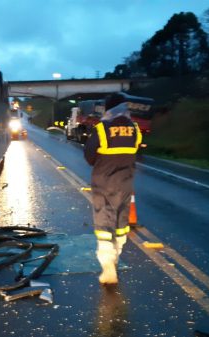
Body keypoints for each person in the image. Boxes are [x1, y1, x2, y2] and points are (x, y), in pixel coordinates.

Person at [83, 93, 142, 285]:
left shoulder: (101, 129)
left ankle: (107, 264)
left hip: (103, 183)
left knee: (104, 222)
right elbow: (136, 152)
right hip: (125, 183)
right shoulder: (134, 129)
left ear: (108, 109)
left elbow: (90, 157)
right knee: (121, 222)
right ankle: (116, 257)